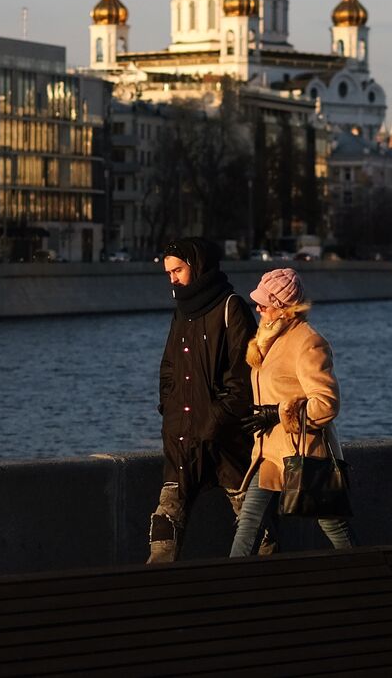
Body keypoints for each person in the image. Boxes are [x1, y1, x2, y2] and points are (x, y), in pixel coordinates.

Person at [230, 267, 354, 555]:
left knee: (333, 526)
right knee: (248, 522)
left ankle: (369, 576)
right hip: (268, 453)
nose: (258, 308)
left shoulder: (308, 342)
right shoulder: (266, 339)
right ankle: (230, 583)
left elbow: (326, 404)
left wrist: (277, 413)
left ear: (282, 306)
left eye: (264, 303)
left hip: (304, 453)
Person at [148, 237, 257, 563]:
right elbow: (169, 368)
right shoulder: (182, 311)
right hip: (181, 436)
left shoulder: (231, 307)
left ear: (197, 266)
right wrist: (169, 410)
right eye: (168, 272)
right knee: (165, 520)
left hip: (224, 439)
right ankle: (156, 598)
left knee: (253, 525)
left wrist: (214, 420)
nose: (173, 278)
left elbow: (244, 376)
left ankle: (268, 589)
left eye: (178, 270)